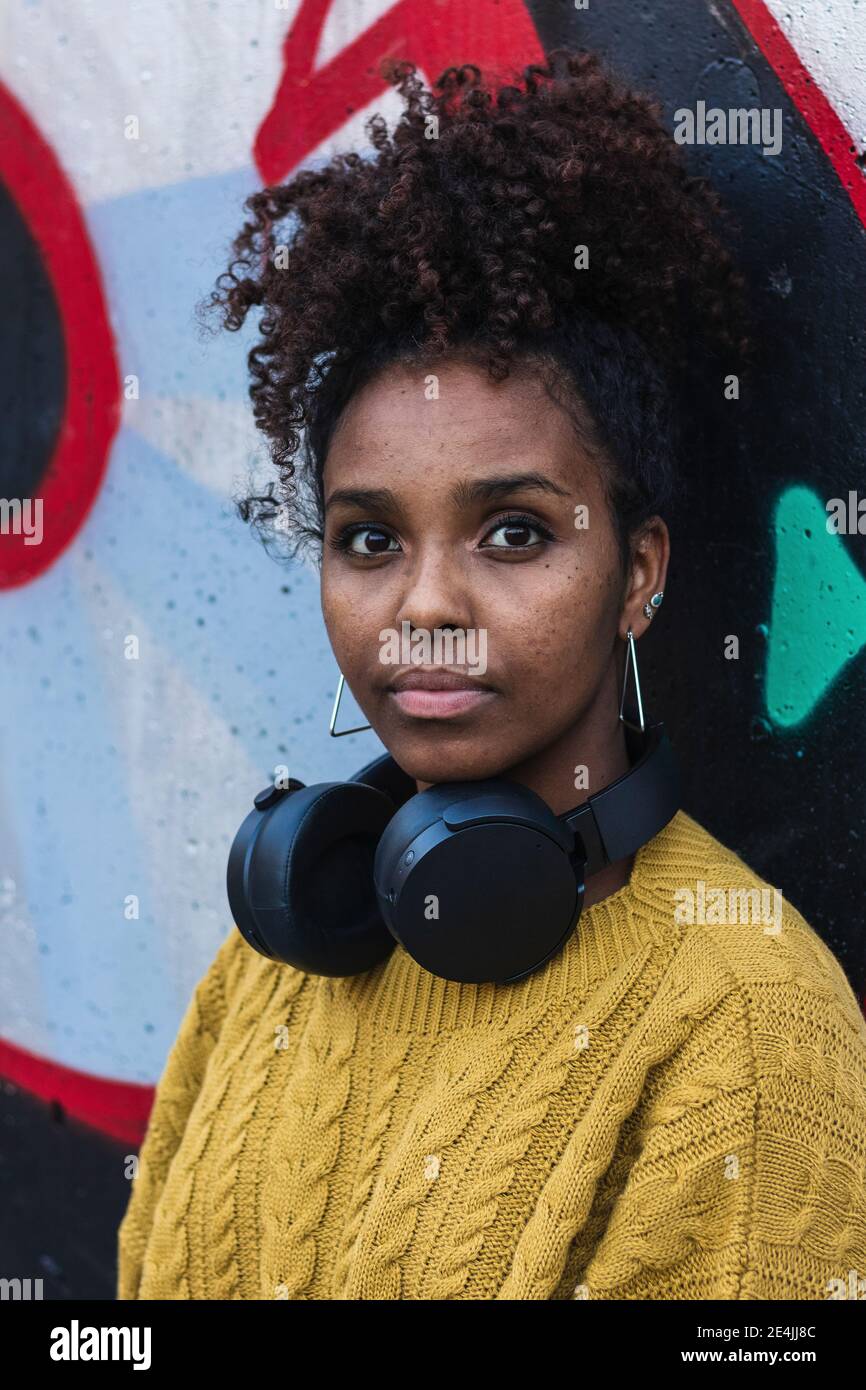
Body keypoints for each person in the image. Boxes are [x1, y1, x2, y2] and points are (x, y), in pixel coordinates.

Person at [117, 50, 866, 1300]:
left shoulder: (742, 1027)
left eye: (511, 530)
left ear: (637, 572)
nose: (422, 608)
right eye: (368, 538)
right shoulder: (287, 944)